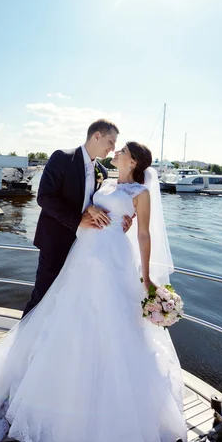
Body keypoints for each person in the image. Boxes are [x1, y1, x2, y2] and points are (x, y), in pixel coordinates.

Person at [0, 141, 187, 442]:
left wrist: (146, 276)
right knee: (71, 320)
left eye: (120, 151)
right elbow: (88, 209)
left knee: (112, 325)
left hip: (112, 258)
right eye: (113, 148)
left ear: (132, 160)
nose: (114, 154)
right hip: (84, 255)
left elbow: (143, 234)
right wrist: (86, 215)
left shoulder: (140, 192)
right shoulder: (107, 183)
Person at [23, 119, 133, 316]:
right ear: (97, 135)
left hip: (86, 245)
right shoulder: (63, 158)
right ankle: (22, 344)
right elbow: (44, 197)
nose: (113, 148)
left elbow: (101, 204)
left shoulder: (103, 171)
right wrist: (77, 220)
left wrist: (122, 219)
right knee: (43, 295)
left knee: (71, 299)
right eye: (111, 141)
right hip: (55, 241)